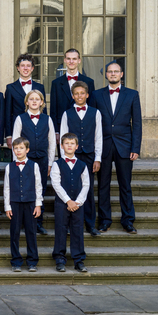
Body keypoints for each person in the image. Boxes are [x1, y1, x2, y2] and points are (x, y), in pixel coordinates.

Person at [94, 61, 142, 234]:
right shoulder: (97, 95)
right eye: (110, 71)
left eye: (116, 71)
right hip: (104, 145)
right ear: (106, 74)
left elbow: (136, 123)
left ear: (122, 74)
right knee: (103, 185)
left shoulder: (132, 95)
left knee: (125, 185)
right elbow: (94, 123)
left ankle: (128, 220)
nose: (113, 74)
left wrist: (135, 147)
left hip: (125, 146)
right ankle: (104, 220)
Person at [59, 81, 103, 237]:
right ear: (72, 96)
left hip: (89, 155)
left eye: (82, 93)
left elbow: (98, 137)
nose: (79, 96)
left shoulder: (95, 113)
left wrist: (98, 158)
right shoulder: (67, 114)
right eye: (76, 93)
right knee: (72, 188)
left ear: (87, 95)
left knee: (88, 189)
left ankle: (90, 224)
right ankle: (72, 224)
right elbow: (63, 137)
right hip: (72, 156)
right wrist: (63, 158)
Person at [11, 90, 55, 235]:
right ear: (27, 102)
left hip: (42, 159)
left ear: (42, 102)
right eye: (31, 99)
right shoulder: (20, 119)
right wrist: (16, 162)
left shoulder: (47, 119)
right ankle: (25, 221)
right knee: (25, 189)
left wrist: (50, 162)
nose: (34, 101)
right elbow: (16, 141)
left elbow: (52, 142)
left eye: (37, 99)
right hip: (25, 161)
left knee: (39, 189)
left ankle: (38, 222)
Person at [51, 133, 89, 273]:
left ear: (77, 146)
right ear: (61, 146)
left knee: (77, 230)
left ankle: (78, 259)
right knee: (60, 229)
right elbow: (56, 184)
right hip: (62, 203)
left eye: (72, 143)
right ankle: (60, 259)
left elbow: (86, 185)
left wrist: (77, 202)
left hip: (78, 204)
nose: (69, 146)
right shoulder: (57, 164)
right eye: (66, 143)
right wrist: (68, 200)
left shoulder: (82, 165)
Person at [4, 137, 42, 272]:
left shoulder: (34, 166)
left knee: (31, 232)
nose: (18, 151)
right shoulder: (9, 167)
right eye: (16, 148)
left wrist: (38, 204)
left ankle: (32, 261)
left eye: (21, 148)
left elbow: (38, 186)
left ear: (27, 150)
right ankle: (16, 261)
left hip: (30, 203)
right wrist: (7, 206)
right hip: (14, 203)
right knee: (14, 232)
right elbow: (6, 187)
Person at [50, 49, 95, 136]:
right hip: (62, 127)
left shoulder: (89, 82)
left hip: (84, 128)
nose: (71, 61)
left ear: (79, 61)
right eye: (68, 59)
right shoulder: (56, 83)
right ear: (65, 60)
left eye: (74, 59)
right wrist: (55, 131)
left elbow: (91, 107)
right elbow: (53, 110)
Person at [5, 53, 46, 145]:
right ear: (18, 68)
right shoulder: (10, 88)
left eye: (28, 66)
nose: (25, 68)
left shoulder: (40, 87)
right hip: (18, 130)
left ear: (32, 68)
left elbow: (43, 110)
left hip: (37, 130)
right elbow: (7, 113)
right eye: (22, 66)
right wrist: (8, 135)